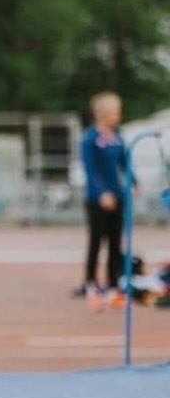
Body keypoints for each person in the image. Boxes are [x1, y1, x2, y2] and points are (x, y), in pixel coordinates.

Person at [81, 91, 128, 310]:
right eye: (116, 111)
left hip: (117, 196)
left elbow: (125, 163)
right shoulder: (90, 138)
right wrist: (101, 193)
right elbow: (90, 171)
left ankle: (113, 285)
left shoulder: (118, 137)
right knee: (96, 241)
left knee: (116, 242)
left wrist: (133, 181)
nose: (119, 116)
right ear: (102, 113)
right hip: (96, 199)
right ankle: (91, 284)